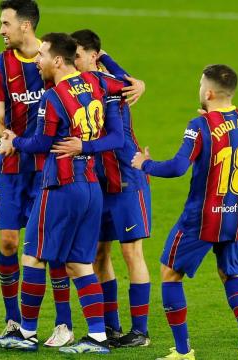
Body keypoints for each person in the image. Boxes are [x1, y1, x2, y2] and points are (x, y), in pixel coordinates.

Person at [0, 32, 125, 354]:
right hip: (92, 187)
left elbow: (40, 143)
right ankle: (97, 337)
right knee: (80, 263)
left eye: (43, 56)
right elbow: (118, 135)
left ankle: (26, 333)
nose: (38, 61)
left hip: (60, 187)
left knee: (33, 256)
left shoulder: (52, 98)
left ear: (58, 61)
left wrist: (13, 143)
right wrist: (88, 146)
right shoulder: (99, 84)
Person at [132, 64, 238, 360]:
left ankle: (183, 351)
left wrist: (144, 164)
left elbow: (178, 167)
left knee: (170, 273)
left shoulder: (200, 125)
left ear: (210, 92)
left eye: (201, 85)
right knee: (230, 274)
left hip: (204, 217)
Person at [53, 29, 152, 348]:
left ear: (93, 56)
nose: (74, 61)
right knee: (99, 253)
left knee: (130, 250)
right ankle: (110, 327)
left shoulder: (111, 85)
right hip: (99, 181)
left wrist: (110, 60)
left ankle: (140, 332)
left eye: (79, 55)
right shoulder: (82, 87)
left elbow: (127, 83)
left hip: (127, 178)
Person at [0, 0, 73, 346]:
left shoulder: (53, 58)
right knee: (8, 242)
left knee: (49, 245)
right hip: (11, 166)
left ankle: (63, 322)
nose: (1, 30)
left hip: (48, 169)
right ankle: (13, 321)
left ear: (25, 25)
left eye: (5, 23)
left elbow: (92, 67)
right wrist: (5, 135)